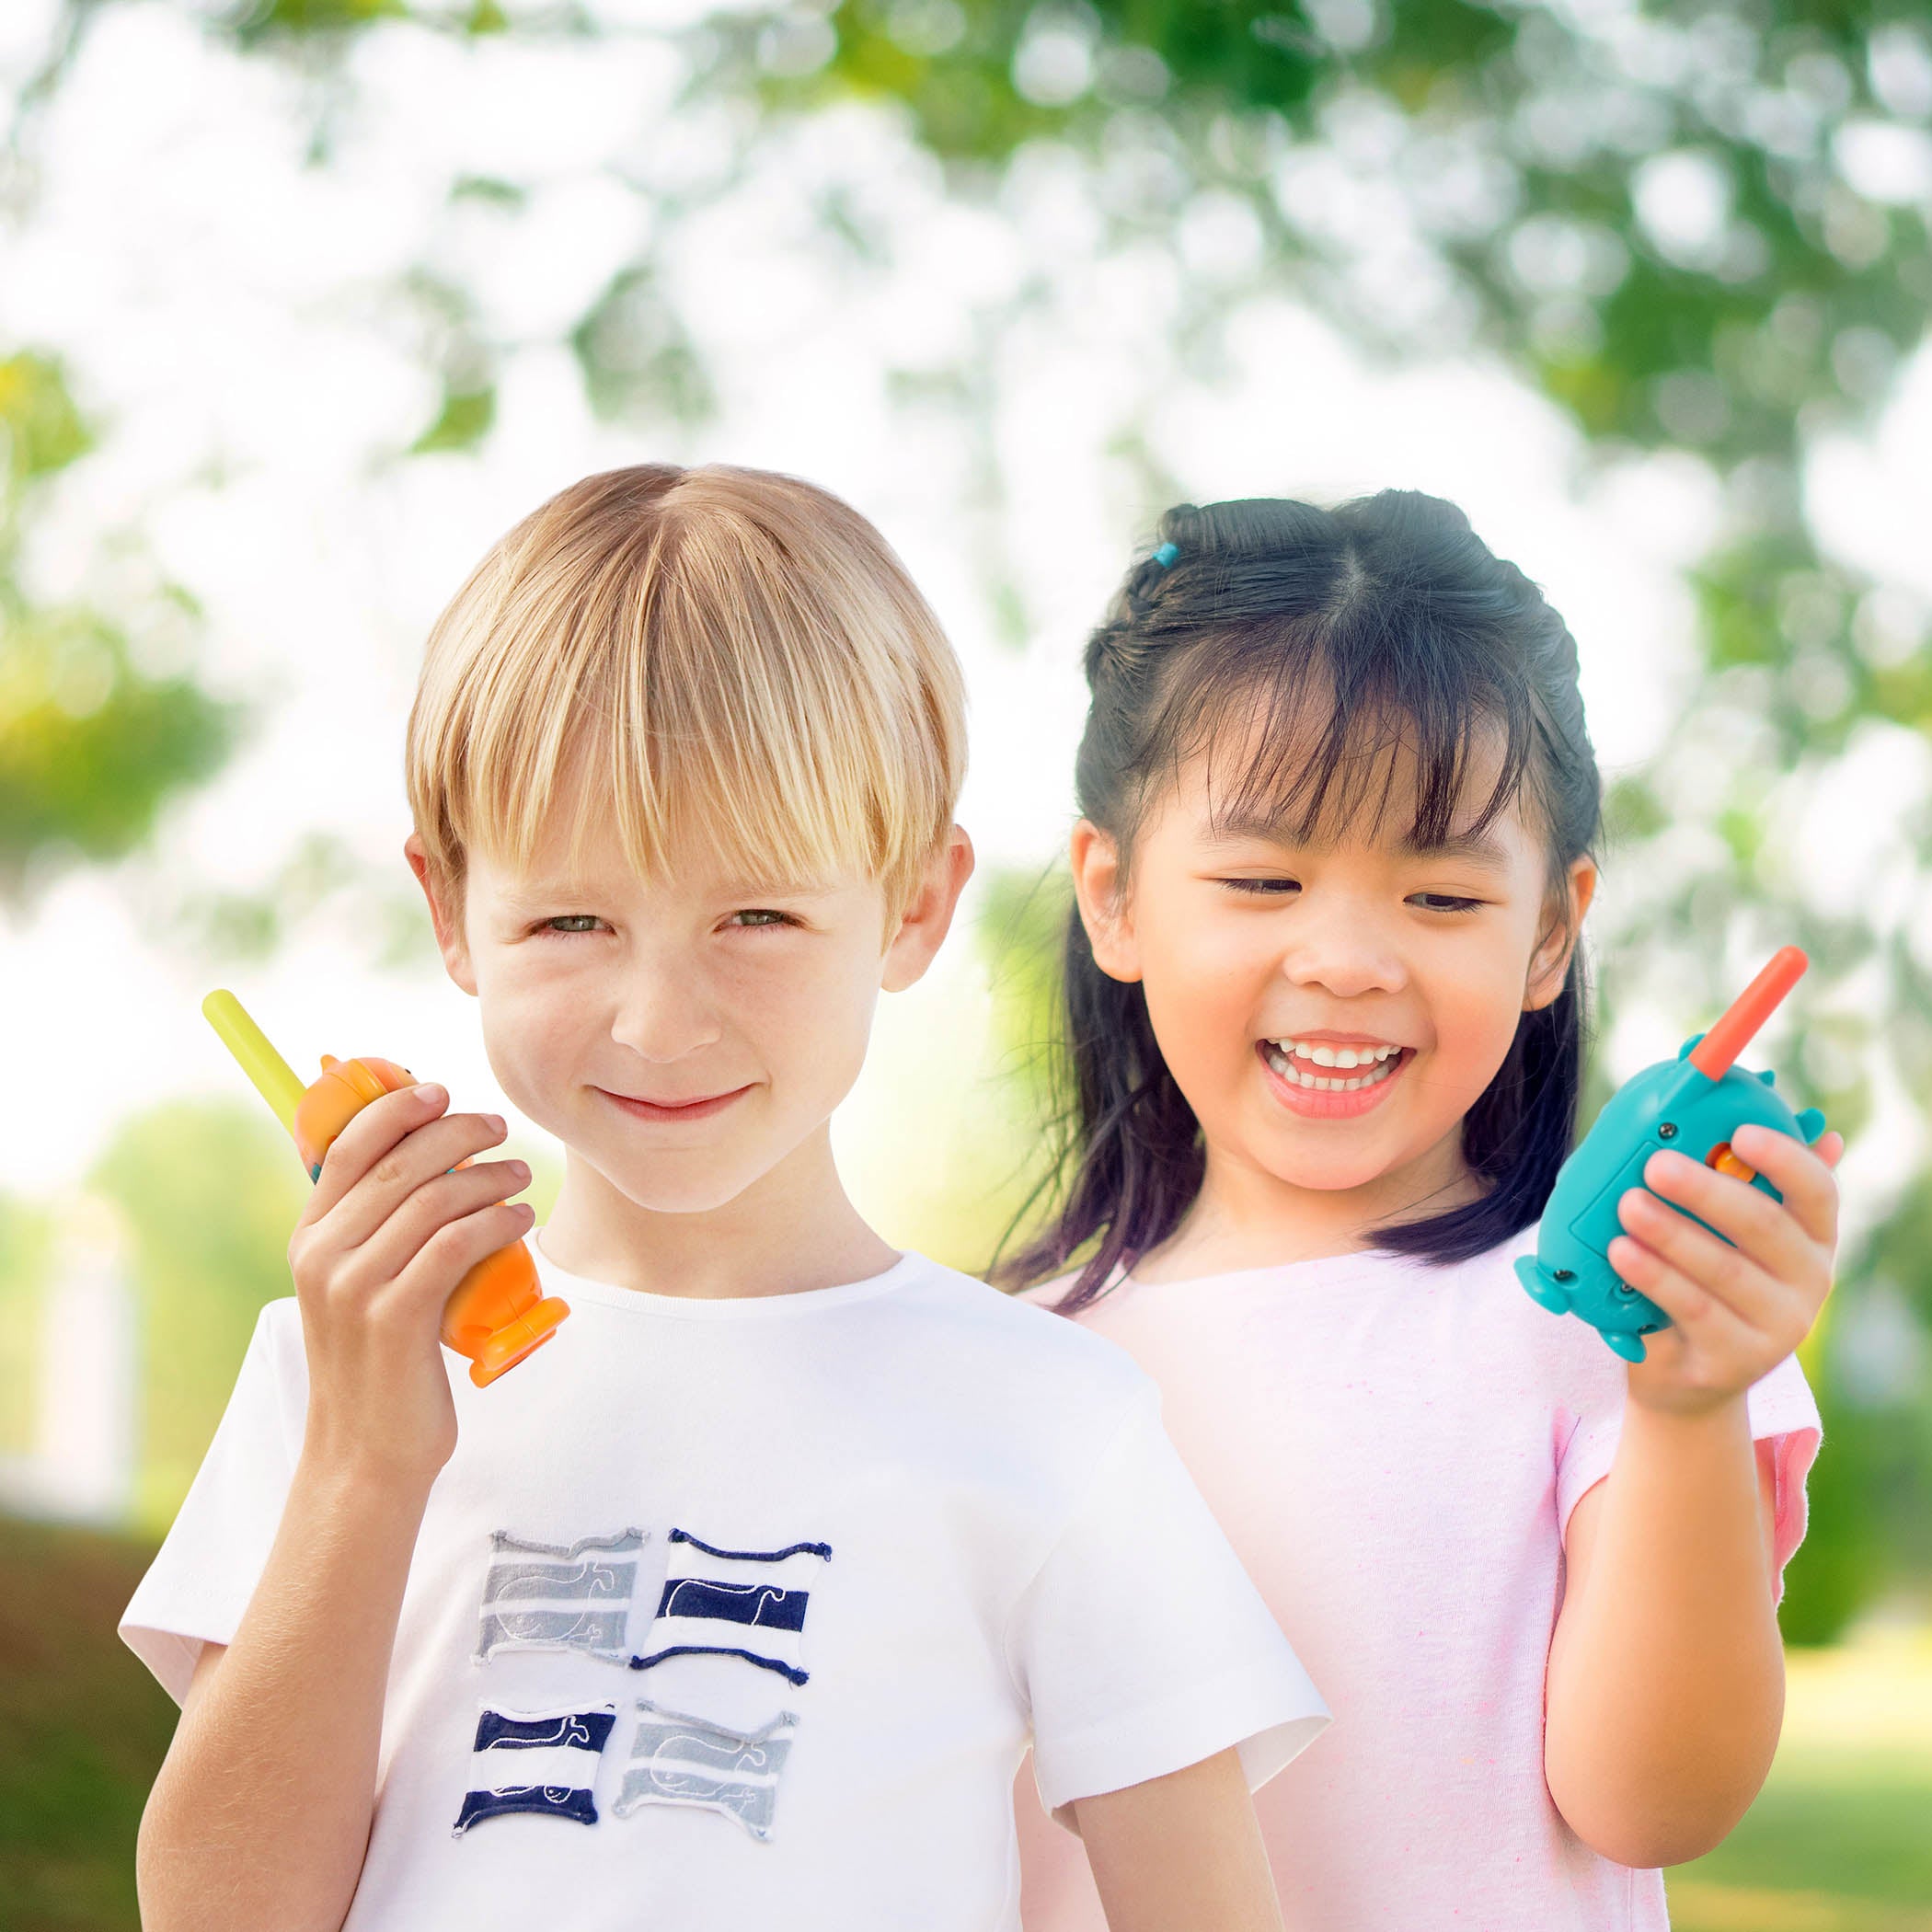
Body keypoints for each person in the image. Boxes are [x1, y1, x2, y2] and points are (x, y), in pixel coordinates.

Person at [121, 465, 1329, 1932]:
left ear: (913, 906)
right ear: (451, 910)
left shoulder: (1054, 1419)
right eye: (571, 920)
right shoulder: (337, 1373)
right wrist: (365, 1467)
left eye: (757, 915)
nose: (657, 1022)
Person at [1007, 491, 1842, 1929]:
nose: (1346, 959)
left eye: (1442, 898)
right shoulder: (1008, 1366)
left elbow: (1654, 1803)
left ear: (1551, 930)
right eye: (1264, 879)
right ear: (1115, 895)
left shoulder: (1625, 1335)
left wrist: (1689, 1409)